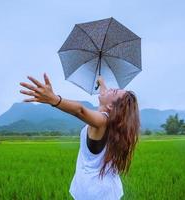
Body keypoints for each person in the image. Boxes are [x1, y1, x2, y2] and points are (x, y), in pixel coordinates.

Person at [19, 72, 140, 200]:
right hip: (109, 189)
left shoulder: (103, 121)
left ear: (110, 106)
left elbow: (80, 110)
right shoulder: (114, 124)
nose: (108, 89)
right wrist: (101, 82)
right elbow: (104, 93)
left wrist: (54, 99)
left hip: (94, 192)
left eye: (113, 91)